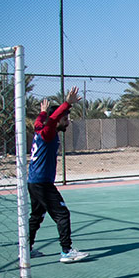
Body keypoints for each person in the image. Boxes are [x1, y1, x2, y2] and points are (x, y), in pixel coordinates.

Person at [27, 88, 89, 263]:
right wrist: (67, 103)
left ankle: (25, 249)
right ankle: (66, 251)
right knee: (62, 214)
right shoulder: (48, 133)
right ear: (57, 120)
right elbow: (52, 120)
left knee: (36, 216)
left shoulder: (40, 129)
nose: (67, 123)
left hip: (34, 182)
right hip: (42, 183)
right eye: (65, 119)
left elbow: (38, 122)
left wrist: (42, 113)